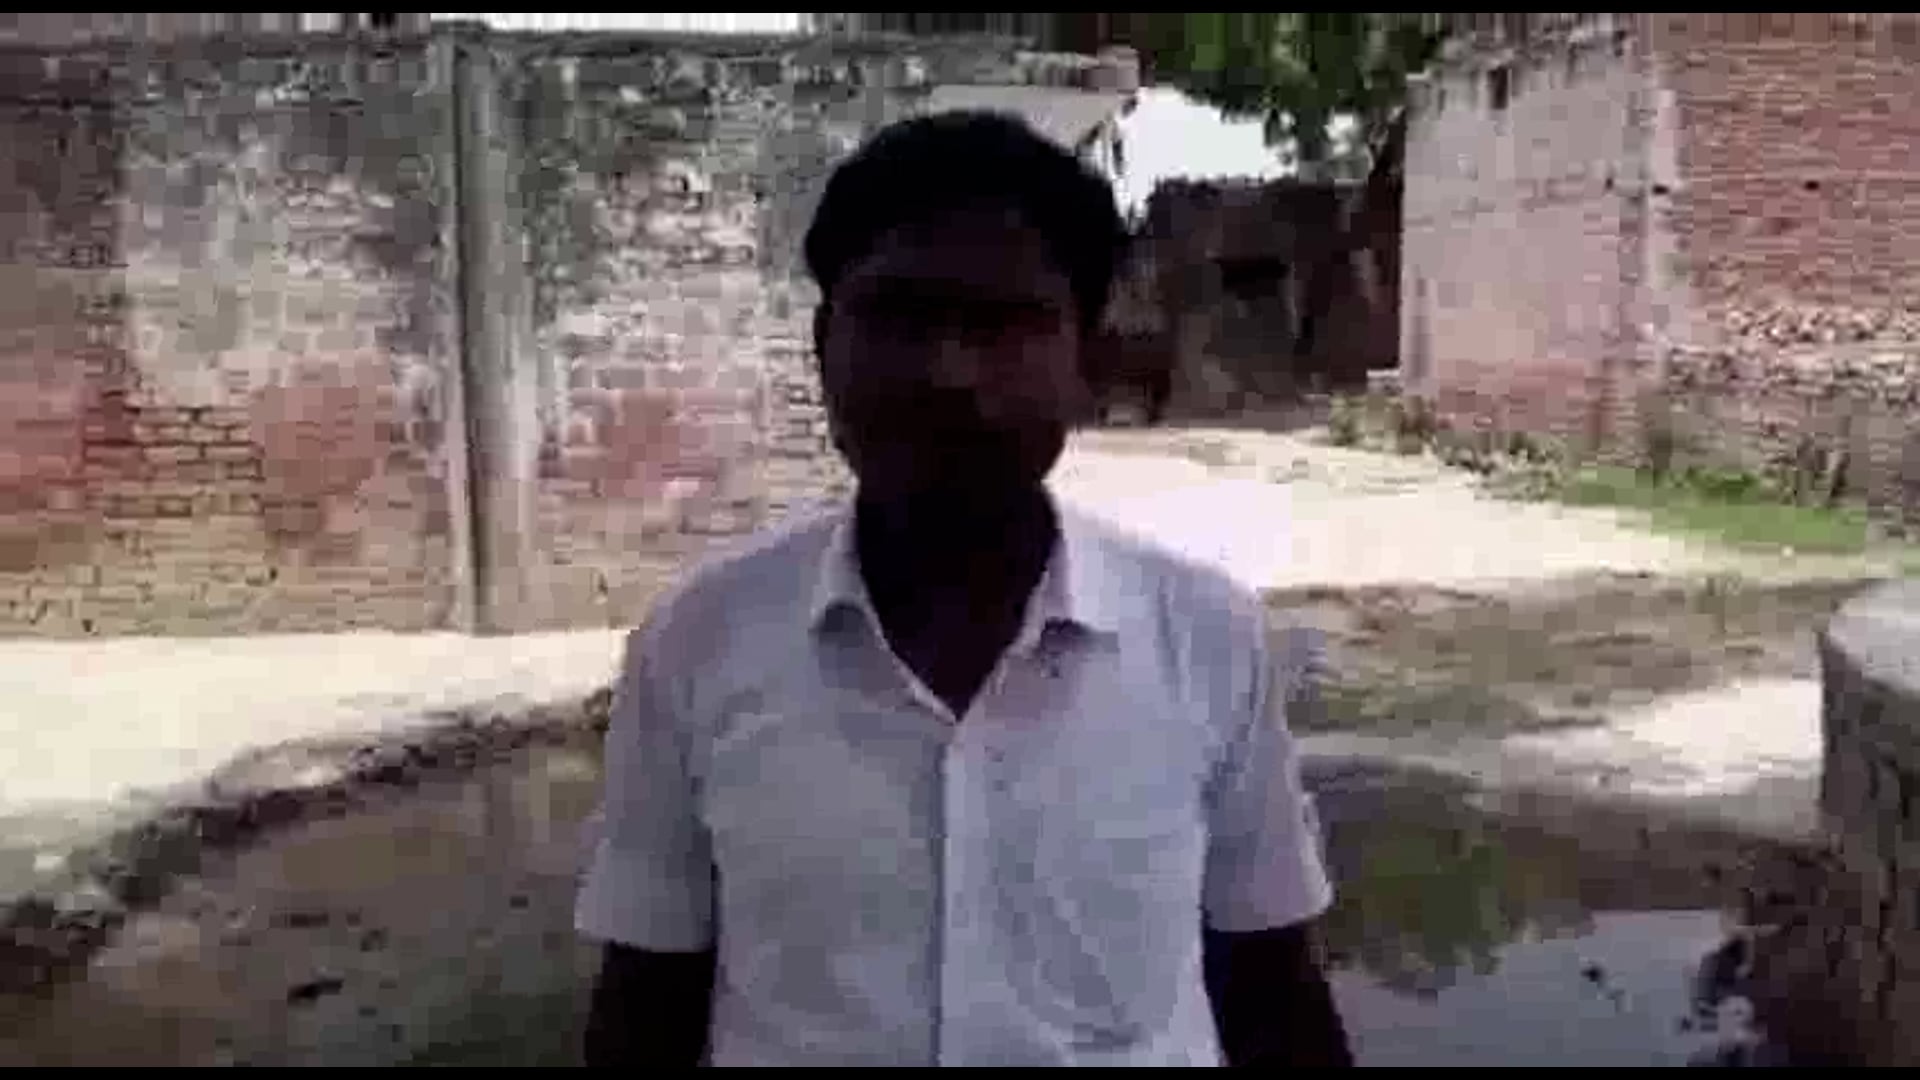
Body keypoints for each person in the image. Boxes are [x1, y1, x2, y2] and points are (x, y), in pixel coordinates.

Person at [576, 110, 1351, 1068]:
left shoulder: (1205, 636)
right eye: (897, 316)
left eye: (1005, 323)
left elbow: (1270, 987)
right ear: (823, 345)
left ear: (1088, 361)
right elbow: (646, 1003)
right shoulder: (698, 642)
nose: (947, 373)